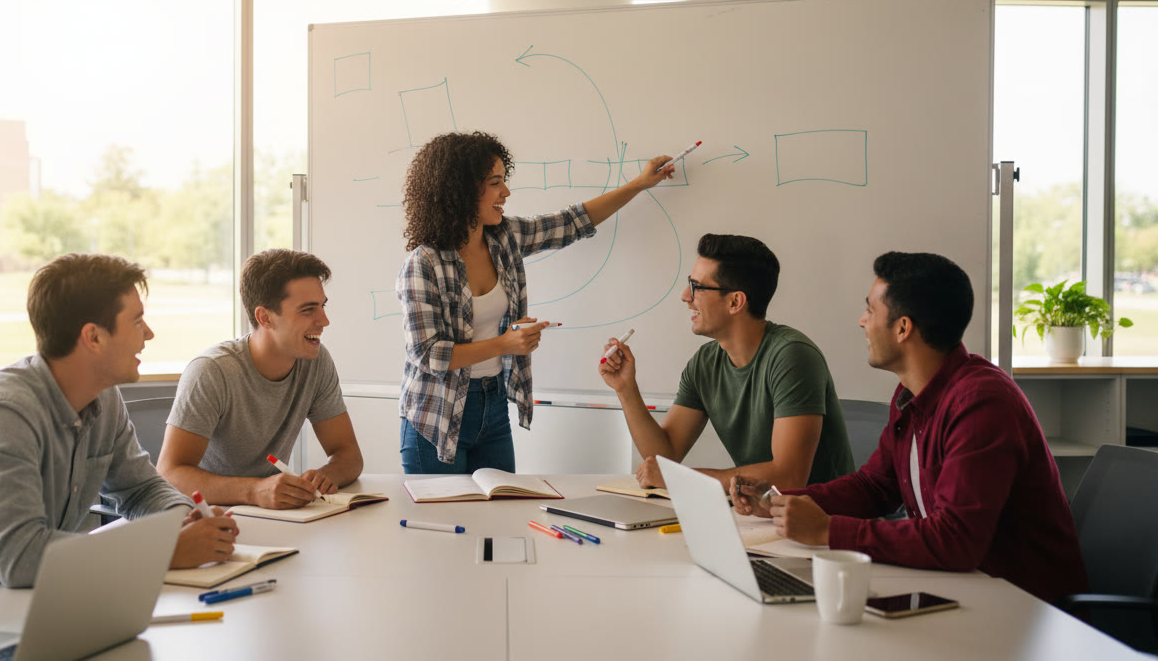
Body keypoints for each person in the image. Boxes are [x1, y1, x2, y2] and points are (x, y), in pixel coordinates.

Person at [0, 254, 238, 646]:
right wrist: (162, 551)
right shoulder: (5, 414)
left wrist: (184, 521)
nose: (148, 334)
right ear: (93, 337)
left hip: (32, 606)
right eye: (136, 320)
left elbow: (141, 489)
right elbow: (19, 556)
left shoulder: (104, 399)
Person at [734, 251, 1087, 603]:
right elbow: (875, 486)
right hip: (963, 588)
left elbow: (956, 540)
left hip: (1023, 608)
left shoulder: (982, 404)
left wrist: (828, 530)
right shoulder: (911, 393)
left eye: (870, 310)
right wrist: (778, 502)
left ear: (903, 328)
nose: (861, 321)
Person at [397, 130, 673, 473]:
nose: (506, 192)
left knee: (498, 518)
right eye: (496, 182)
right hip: (435, 417)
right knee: (442, 523)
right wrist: (505, 342)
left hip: (492, 403)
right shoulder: (423, 264)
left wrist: (640, 184)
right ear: (462, 190)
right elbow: (429, 354)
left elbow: (572, 223)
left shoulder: (505, 238)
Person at [598, 233, 853, 493]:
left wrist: (680, 478)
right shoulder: (705, 363)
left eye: (697, 287)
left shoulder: (793, 356)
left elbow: (788, 478)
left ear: (735, 302)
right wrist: (626, 389)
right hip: (765, 517)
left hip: (824, 522)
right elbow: (664, 456)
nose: (685, 296)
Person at [158, 249, 363, 509]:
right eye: (308, 310)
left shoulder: (316, 361)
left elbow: (348, 453)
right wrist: (254, 490)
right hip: (204, 515)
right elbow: (170, 474)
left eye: (322, 306)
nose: (324, 320)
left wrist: (327, 476)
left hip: (269, 513)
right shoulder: (212, 371)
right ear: (264, 317)